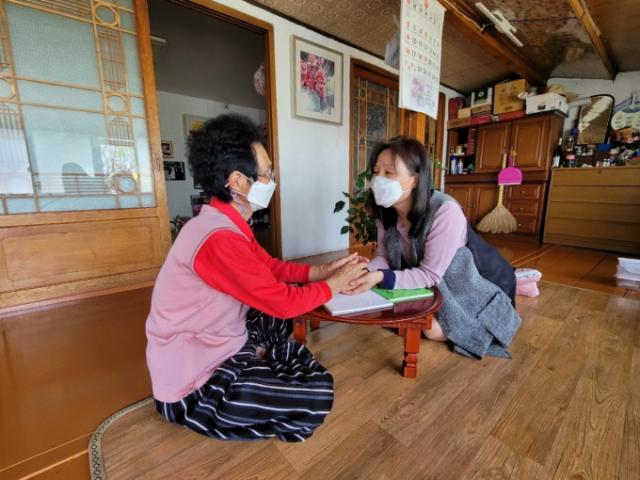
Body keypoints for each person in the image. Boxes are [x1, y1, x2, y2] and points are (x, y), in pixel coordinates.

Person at [145, 113, 368, 442]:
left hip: (220, 340)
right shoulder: (217, 237)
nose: (272, 180)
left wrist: (322, 272)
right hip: (192, 384)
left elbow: (271, 269)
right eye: (267, 173)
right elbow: (282, 302)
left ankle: (257, 365)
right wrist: (334, 285)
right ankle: (242, 382)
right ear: (237, 182)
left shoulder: (225, 221)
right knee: (317, 395)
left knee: (280, 313)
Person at [347, 136, 521, 359]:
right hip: (430, 283)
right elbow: (384, 257)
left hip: (468, 287)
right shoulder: (385, 212)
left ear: (415, 179)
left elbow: (430, 274)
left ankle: (516, 288)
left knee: (430, 330)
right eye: (376, 171)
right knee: (396, 316)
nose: (378, 179)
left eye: (389, 172)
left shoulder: (445, 211)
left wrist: (380, 277)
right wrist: (365, 271)